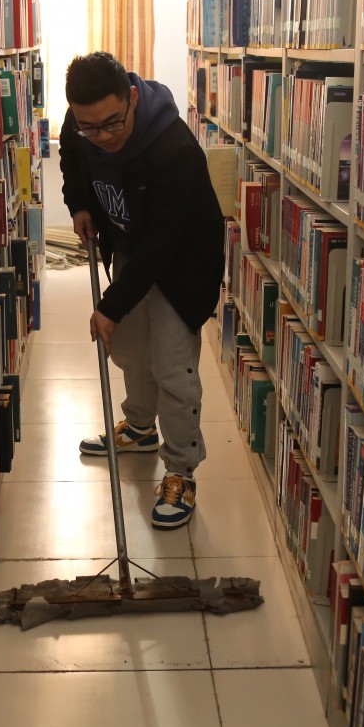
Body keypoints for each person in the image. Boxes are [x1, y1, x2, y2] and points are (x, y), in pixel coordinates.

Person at [59, 52, 225, 529]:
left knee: (171, 366)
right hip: (131, 244)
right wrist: (79, 204)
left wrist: (110, 307)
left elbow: (162, 244)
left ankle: (181, 471)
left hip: (182, 263)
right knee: (131, 350)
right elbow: (73, 157)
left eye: (113, 123)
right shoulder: (81, 124)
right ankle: (138, 427)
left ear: (132, 98)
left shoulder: (174, 147)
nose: (103, 136)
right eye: (90, 127)